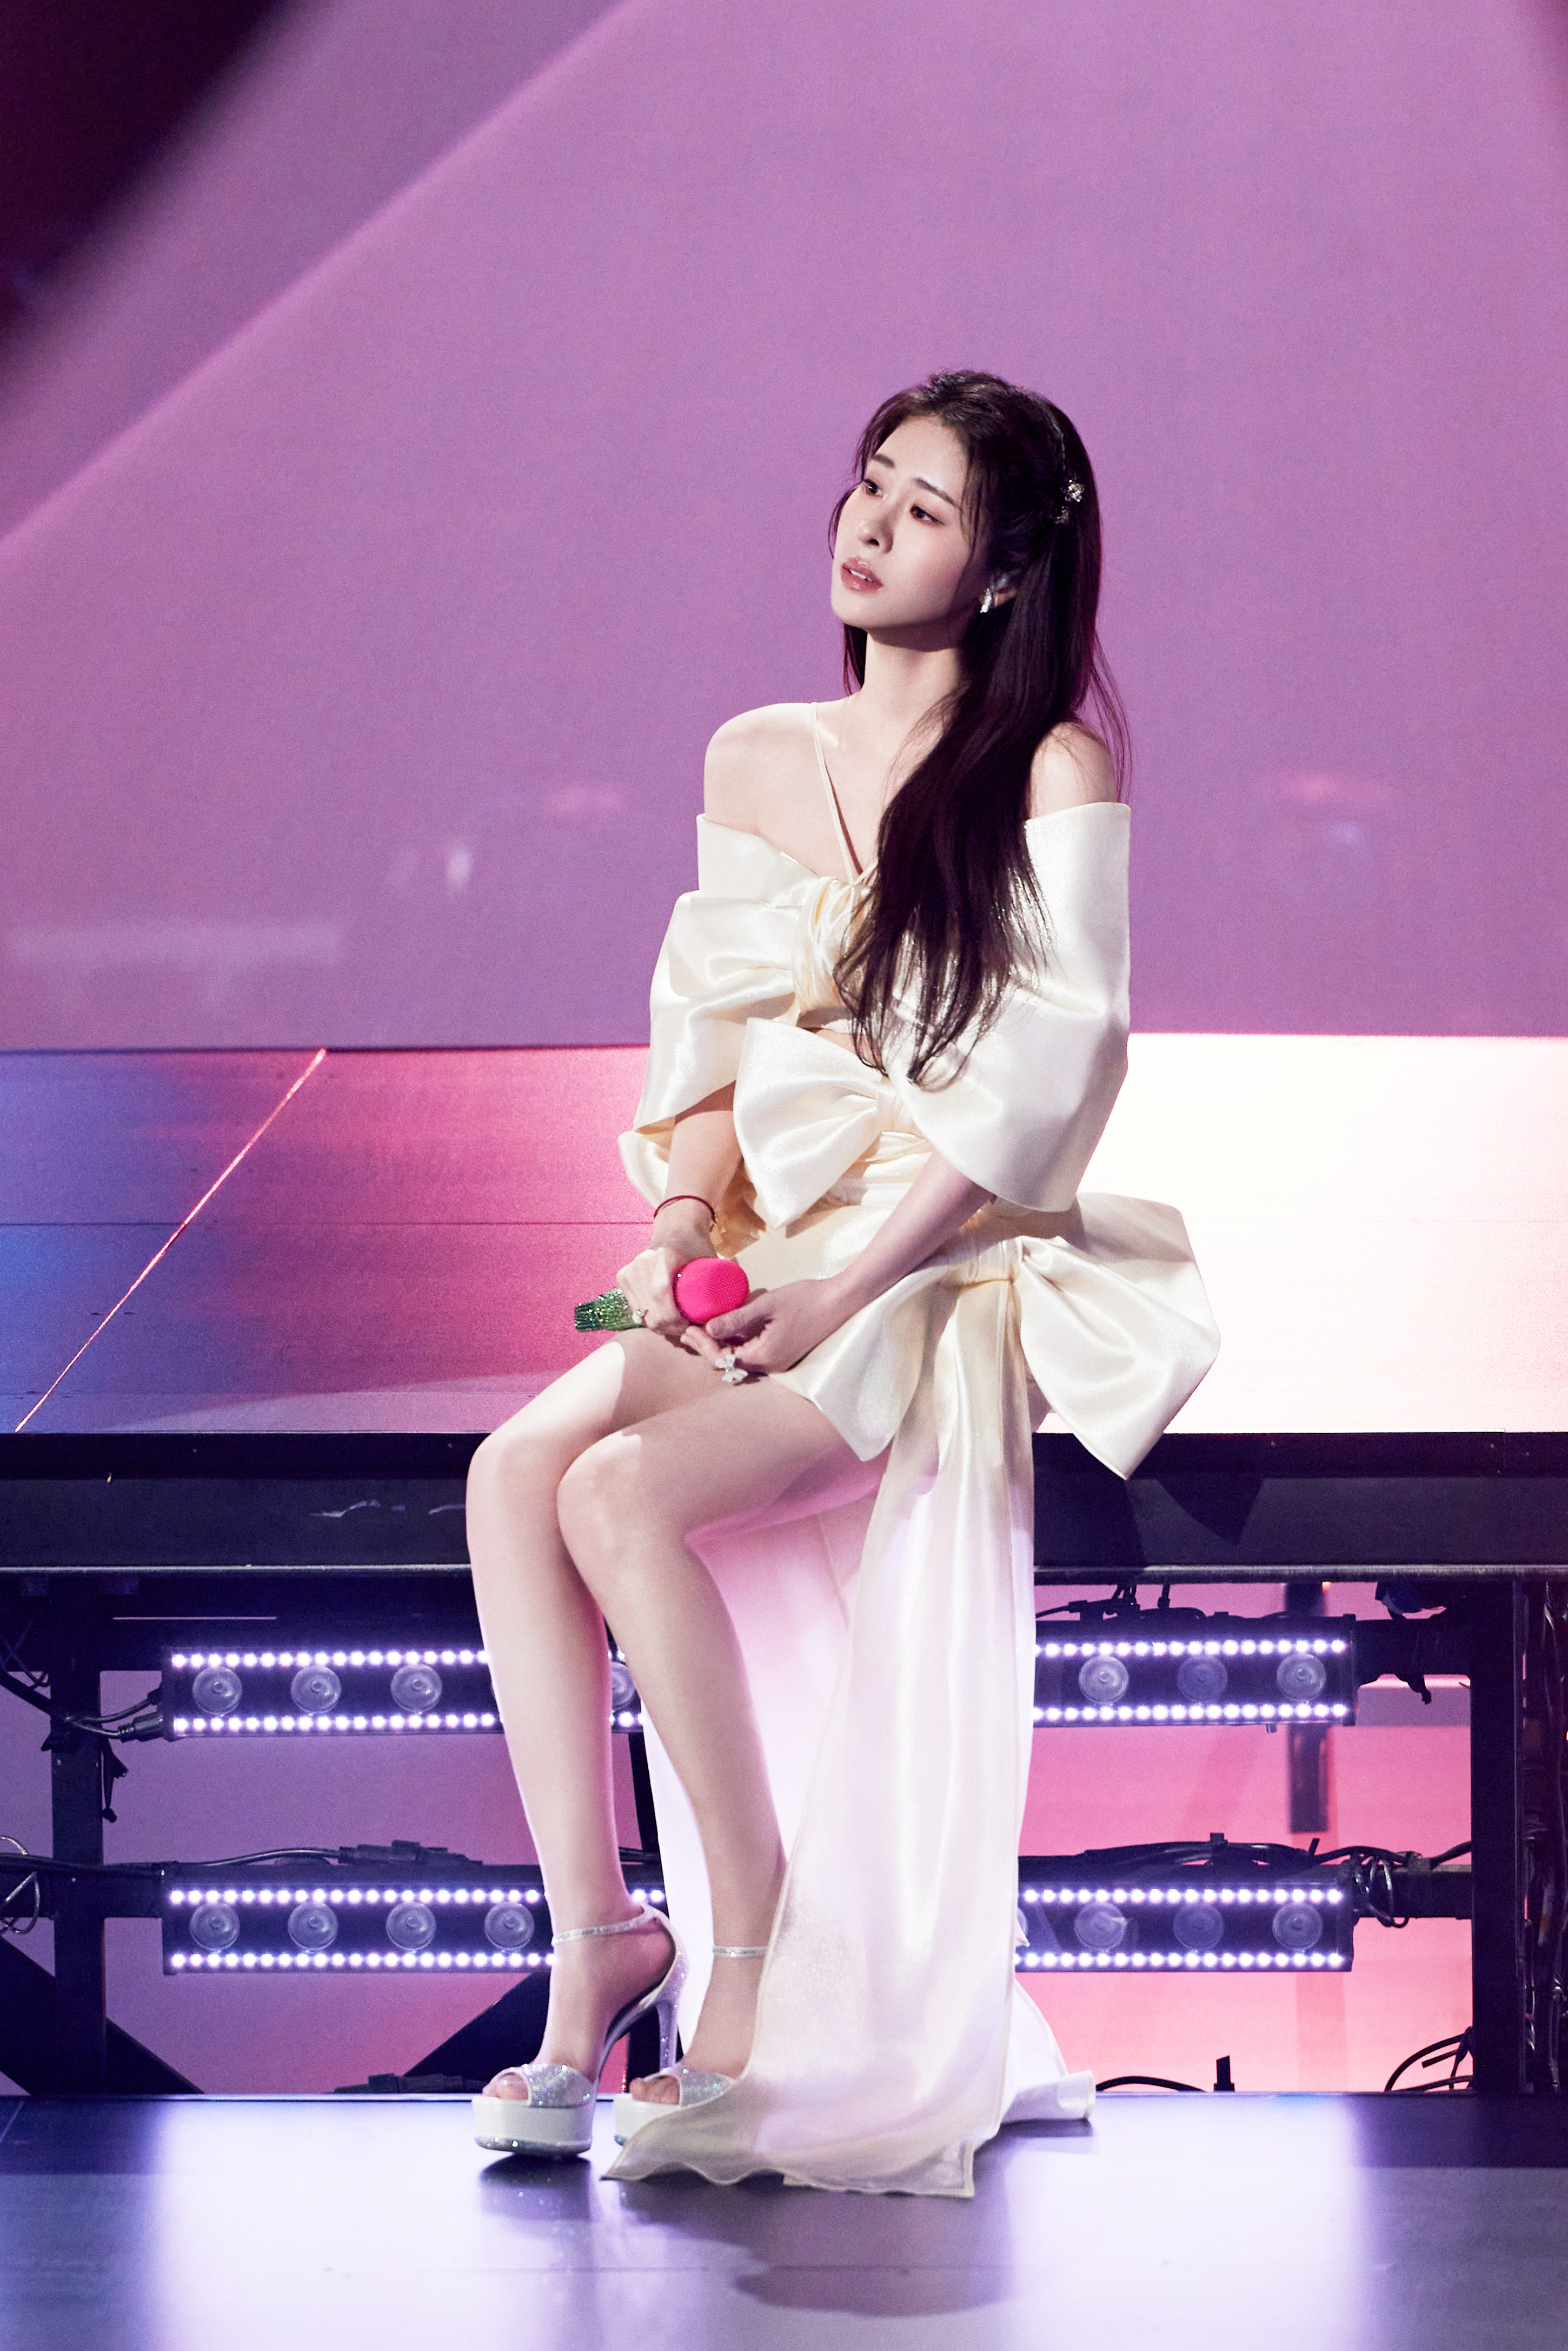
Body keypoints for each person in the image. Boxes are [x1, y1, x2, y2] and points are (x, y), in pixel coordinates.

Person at [466, 370, 1219, 2196]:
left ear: (1003, 570)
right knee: (512, 1471)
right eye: (869, 483)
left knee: (620, 1491)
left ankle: (750, 1954)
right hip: (782, 1258)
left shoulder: (1049, 772)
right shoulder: (754, 754)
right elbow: (716, 1047)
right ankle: (602, 1937)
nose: (867, 526)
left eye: (923, 508)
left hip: (935, 1266)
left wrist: (840, 1287)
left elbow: (1051, 1074)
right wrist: (678, 1228)